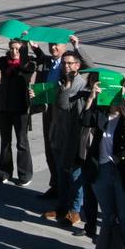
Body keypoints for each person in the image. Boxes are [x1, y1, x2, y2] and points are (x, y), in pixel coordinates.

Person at [81, 87, 125, 249]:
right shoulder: (100, 113)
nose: (115, 101)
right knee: (108, 215)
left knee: (124, 216)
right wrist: (92, 97)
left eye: (119, 97)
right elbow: (84, 120)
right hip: (102, 170)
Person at [45, 50, 90, 228]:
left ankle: (75, 210)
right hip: (58, 136)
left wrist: (67, 87)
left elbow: (65, 105)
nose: (66, 66)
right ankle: (62, 207)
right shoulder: (61, 81)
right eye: (64, 63)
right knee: (61, 175)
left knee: (75, 176)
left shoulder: (80, 85)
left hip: (73, 139)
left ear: (78, 66)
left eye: (70, 63)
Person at [0, 40, 33, 184]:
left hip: (21, 110)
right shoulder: (4, 62)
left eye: (17, 49)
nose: (14, 51)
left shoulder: (28, 65)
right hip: (4, 108)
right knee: (5, 142)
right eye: (12, 48)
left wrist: (25, 48)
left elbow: (24, 68)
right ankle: (5, 172)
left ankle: (25, 175)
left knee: (22, 143)